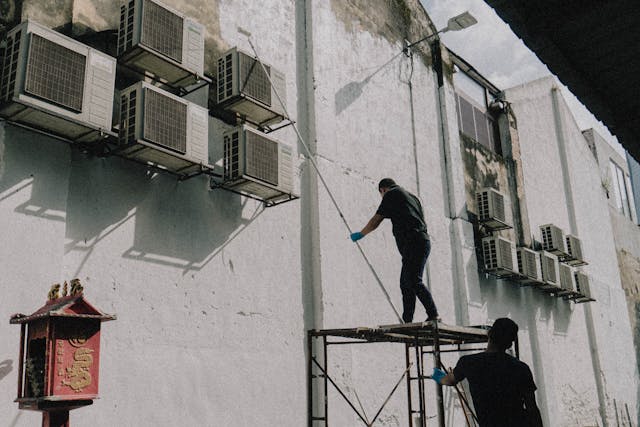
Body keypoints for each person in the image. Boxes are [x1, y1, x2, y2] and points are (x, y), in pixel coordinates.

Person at [350, 178, 438, 323]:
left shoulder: (391, 194)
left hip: (413, 242)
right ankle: (407, 321)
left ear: (382, 190)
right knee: (406, 283)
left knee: (413, 280)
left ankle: (434, 314)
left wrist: (361, 234)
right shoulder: (412, 198)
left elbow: (376, 220)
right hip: (420, 242)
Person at [431, 318, 543, 427]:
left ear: (489, 334)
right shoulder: (521, 368)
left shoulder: (469, 363)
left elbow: (449, 380)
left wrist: (435, 374)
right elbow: (532, 407)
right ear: (510, 344)